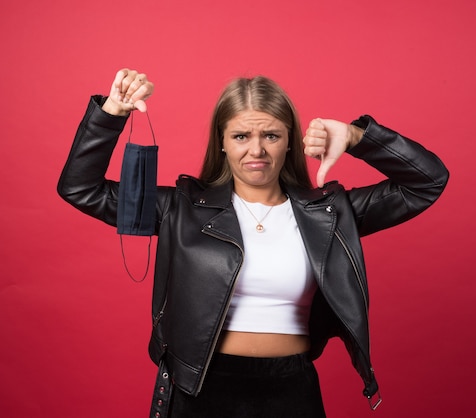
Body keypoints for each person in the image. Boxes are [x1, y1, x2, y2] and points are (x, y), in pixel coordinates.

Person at [58, 68, 449, 417]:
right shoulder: (180, 208)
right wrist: (111, 115)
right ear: (223, 142)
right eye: (241, 135)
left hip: (292, 390)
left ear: (290, 142)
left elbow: (427, 182)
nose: (256, 150)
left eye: (272, 135)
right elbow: (80, 188)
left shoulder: (328, 214)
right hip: (200, 391)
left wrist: (357, 137)